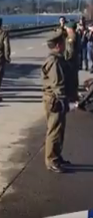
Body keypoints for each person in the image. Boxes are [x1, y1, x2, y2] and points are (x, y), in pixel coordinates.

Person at [41, 30, 74, 173]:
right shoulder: (54, 61)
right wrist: (63, 99)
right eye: (62, 43)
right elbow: (57, 83)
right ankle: (51, 159)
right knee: (54, 130)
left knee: (59, 129)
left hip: (55, 98)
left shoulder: (57, 58)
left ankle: (57, 154)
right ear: (58, 45)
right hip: (54, 99)